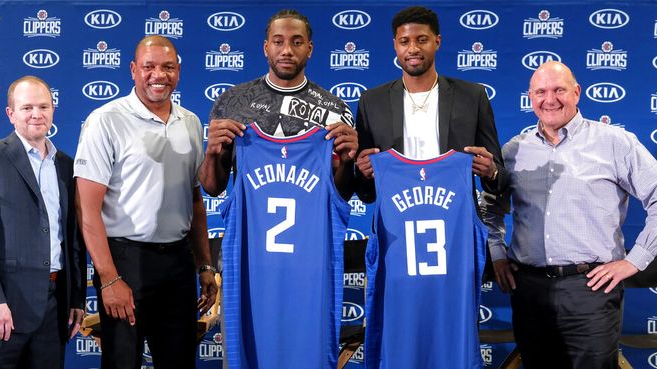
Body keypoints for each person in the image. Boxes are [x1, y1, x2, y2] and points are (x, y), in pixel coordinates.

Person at [481, 61, 657, 369]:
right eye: (541, 92)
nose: (550, 99)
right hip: (528, 289)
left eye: (559, 89)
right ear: (530, 98)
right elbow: (491, 207)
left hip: (591, 290)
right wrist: (497, 253)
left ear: (576, 93)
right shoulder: (513, 150)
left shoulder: (615, 143)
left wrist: (635, 260)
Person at [74, 36, 217, 369]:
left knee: (179, 362)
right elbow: (87, 209)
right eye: (149, 67)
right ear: (133, 70)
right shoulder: (105, 120)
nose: (159, 75)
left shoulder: (192, 123)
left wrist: (205, 265)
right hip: (126, 262)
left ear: (179, 71)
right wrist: (109, 279)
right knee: (122, 362)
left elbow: (194, 200)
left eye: (168, 67)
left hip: (178, 264)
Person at [0, 75, 86, 369]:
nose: (36, 114)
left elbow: (73, 238)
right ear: (10, 114)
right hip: (1, 309)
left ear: (53, 110)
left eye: (43, 106)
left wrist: (76, 298)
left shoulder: (66, 165)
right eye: (27, 107)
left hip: (54, 311)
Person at [199, 9, 358, 199]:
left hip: (313, 227)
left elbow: (343, 196)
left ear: (310, 49)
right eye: (278, 42)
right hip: (248, 227)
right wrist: (211, 153)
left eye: (297, 42)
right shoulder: (232, 102)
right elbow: (212, 188)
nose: (287, 51)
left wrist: (348, 163)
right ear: (266, 48)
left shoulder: (335, 110)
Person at [354, 6, 506, 203]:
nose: (413, 48)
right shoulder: (372, 101)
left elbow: (500, 179)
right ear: (395, 45)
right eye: (404, 41)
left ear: (437, 41)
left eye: (422, 40)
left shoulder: (472, 96)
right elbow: (366, 193)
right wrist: (364, 174)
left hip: (457, 221)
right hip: (395, 223)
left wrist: (491, 171)